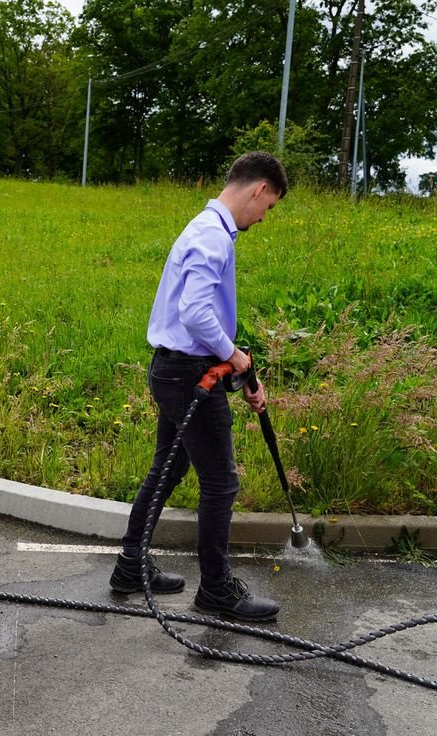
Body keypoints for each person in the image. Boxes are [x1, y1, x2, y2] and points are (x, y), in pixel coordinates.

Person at [109, 151, 287, 622]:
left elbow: (200, 317)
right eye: (268, 208)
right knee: (221, 481)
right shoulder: (214, 235)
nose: (263, 217)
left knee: (167, 469)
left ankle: (130, 566)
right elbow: (194, 312)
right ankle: (216, 590)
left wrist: (239, 365)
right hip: (189, 375)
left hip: (174, 369)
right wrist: (232, 356)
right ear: (259, 190)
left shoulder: (204, 227)